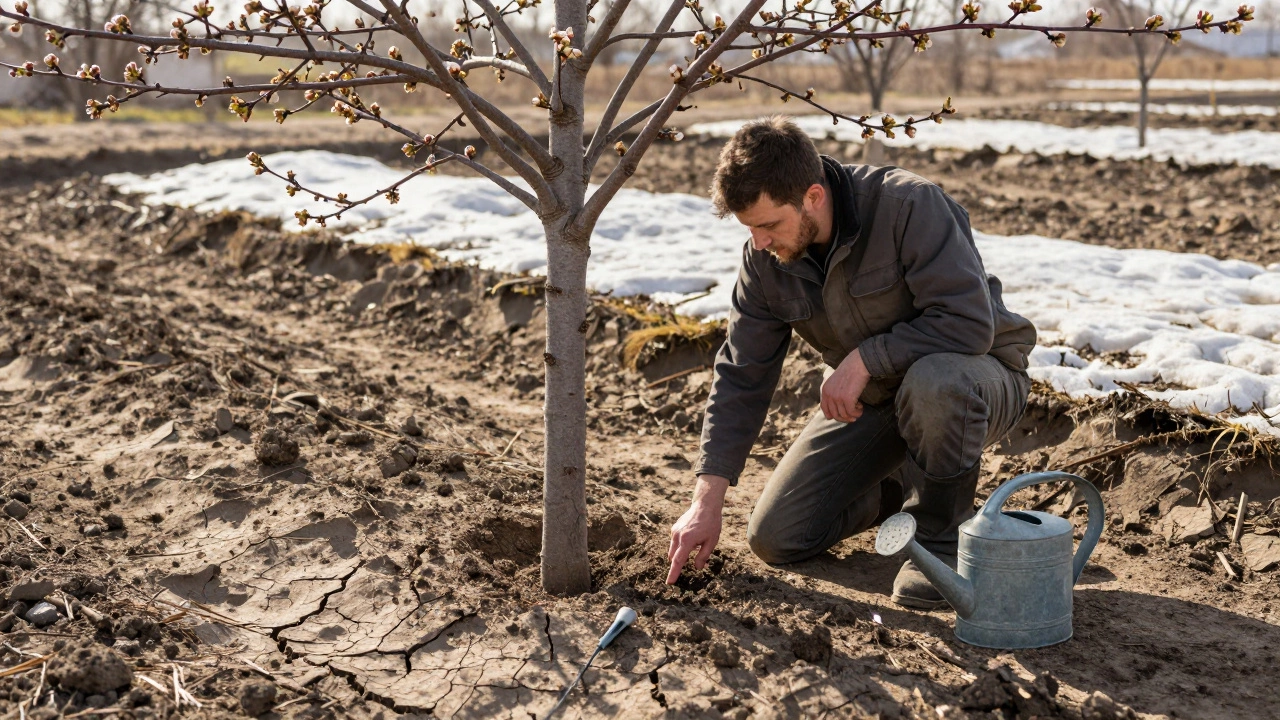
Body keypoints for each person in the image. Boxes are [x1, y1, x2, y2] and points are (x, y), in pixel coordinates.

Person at [666, 116, 1037, 609]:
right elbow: (742, 374)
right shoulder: (764, 261)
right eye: (750, 228)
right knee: (777, 537)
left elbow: (969, 325)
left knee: (935, 382)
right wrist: (705, 501)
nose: (759, 241)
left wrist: (866, 358)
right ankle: (898, 485)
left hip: (977, 380)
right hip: (881, 401)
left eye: (769, 225)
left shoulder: (909, 206)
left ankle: (942, 542)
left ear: (813, 196)